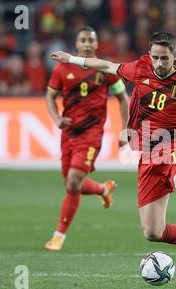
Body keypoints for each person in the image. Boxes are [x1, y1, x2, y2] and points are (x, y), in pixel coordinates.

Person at [51, 31, 176, 276]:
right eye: (156, 57)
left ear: (175, 56)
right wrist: (70, 59)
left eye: (164, 59)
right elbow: (106, 65)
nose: (159, 64)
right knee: (152, 232)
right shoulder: (140, 68)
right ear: (149, 55)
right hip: (148, 154)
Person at [44, 26, 129, 251]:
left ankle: (58, 237)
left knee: (73, 182)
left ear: (97, 44)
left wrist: (125, 130)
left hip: (91, 134)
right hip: (68, 133)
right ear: (77, 43)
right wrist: (55, 119)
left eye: (91, 40)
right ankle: (103, 189)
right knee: (73, 184)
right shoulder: (62, 69)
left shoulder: (105, 69)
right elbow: (50, 96)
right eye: (83, 40)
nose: (88, 44)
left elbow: (123, 98)